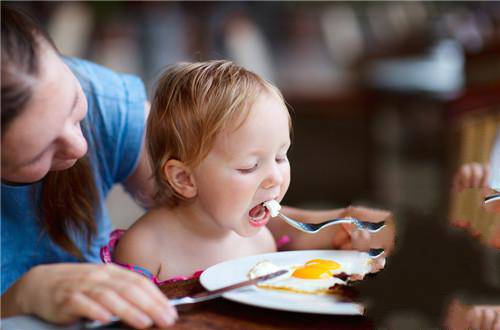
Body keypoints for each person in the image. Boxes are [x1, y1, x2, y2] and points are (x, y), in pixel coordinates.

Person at [1, 6, 393, 328]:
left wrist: (333, 225)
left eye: (74, 108)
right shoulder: (144, 247)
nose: (81, 145)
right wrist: (20, 297)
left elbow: (212, 213)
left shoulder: (103, 103)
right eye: (38, 152)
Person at [102, 60, 388, 282]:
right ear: (184, 178)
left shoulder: (261, 242)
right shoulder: (145, 249)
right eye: (249, 166)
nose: (275, 177)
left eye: (280, 157)